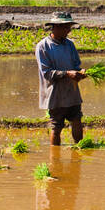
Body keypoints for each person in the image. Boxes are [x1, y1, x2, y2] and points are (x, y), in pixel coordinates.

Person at [36, 12, 86, 145]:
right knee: (57, 127)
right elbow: (46, 73)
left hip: (72, 92)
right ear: (55, 27)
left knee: (77, 121)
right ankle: (55, 158)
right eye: (66, 27)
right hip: (54, 94)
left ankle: (79, 149)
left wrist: (80, 72)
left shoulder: (69, 44)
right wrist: (67, 74)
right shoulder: (43, 46)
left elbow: (76, 65)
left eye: (69, 26)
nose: (69, 30)